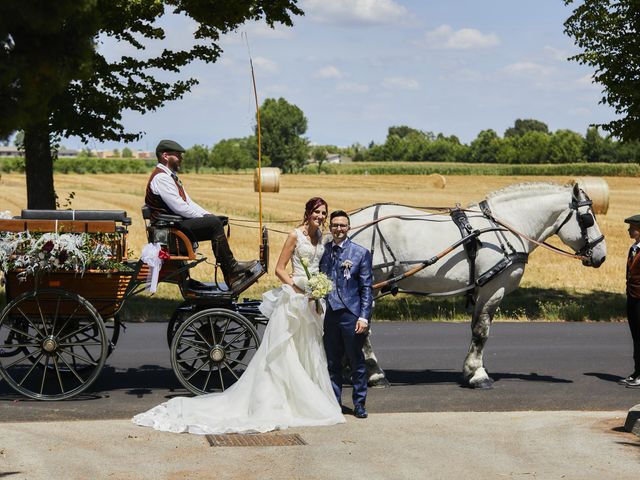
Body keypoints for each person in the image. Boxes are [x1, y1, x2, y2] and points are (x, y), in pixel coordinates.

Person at [132, 197, 345, 434]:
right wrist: (298, 289)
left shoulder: (321, 239)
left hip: (312, 301)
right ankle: (285, 399)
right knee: (286, 353)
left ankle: (307, 398)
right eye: (317, 212)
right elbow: (280, 269)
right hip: (295, 300)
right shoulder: (295, 235)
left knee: (310, 351)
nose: (321, 216)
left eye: (324, 213)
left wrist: (318, 289)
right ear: (308, 213)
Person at [145, 139, 259, 287]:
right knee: (213, 224)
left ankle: (231, 272)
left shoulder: (170, 177)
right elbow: (180, 208)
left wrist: (208, 215)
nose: (181, 158)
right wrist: (210, 220)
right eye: (178, 155)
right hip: (169, 232)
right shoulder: (161, 178)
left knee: (213, 222)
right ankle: (231, 270)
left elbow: (189, 203)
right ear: (165, 156)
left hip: (174, 226)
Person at [320, 210, 373, 418]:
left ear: (348, 228)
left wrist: (363, 317)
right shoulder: (324, 251)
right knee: (332, 361)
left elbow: (366, 288)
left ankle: (359, 403)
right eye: (335, 225)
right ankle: (335, 403)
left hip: (351, 313)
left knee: (355, 360)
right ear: (330, 227)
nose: (338, 229)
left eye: (342, 225)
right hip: (329, 314)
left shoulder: (360, 253)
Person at [621, 214, 640, 388]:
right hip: (632, 298)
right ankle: (637, 371)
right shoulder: (633, 249)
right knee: (636, 337)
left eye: (632, 228)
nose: (629, 230)